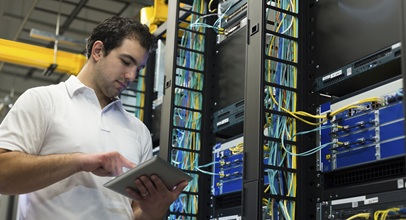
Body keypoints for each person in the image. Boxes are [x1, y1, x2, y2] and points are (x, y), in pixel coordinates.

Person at [0, 16, 188, 220]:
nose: (131, 76)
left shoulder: (138, 130)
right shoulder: (43, 101)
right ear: (98, 51)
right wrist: (79, 162)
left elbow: (132, 211)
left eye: (139, 69)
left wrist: (153, 210)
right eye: (126, 62)